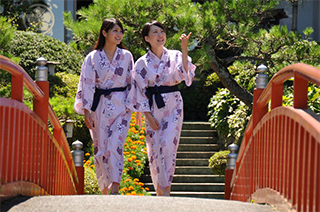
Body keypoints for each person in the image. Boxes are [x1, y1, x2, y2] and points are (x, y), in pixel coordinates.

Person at [126, 21, 196, 196]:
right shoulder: (141, 63)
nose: (160, 35)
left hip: (174, 105)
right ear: (147, 38)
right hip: (153, 108)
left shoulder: (175, 55)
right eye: (155, 32)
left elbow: (185, 74)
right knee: (155, 149)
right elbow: (139, 91)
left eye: (162, 31)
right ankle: (161, 192)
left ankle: (166, 189)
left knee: (168, 146)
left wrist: (185, 48)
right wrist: (147, 116)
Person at [74, 18, 134, 195]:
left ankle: (115, 186)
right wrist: (87, 112)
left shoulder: (127, 56)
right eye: (114, 30)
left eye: (120, 31)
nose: (118, 34)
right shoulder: (92, 57)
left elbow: (132, 83)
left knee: (116, 145)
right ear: (104, 33)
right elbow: (87, 84)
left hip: (122, 106)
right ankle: (104, 188)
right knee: (101, 148)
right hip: (99, 107)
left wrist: (137, 108)